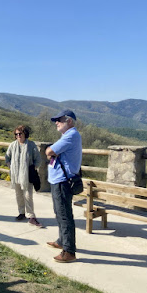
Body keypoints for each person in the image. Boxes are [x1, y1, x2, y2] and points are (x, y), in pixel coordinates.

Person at [45, 109, 82, 263]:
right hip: (58, 181)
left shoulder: (71, 135)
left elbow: (49, 150)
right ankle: (62, 241)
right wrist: (52, 152)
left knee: (65, 215)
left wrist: (51, 151)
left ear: (70, 121)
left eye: (59, 120)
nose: (56, 123)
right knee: (59, 213)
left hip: (62, 181)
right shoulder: (67, 136)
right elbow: (51, 152)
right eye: (56, 120)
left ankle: (69, 251)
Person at [5, 125, 42, 227]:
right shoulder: (12, 145)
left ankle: (31, 216)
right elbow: (7, 157)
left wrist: (32, 168)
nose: (18, 136)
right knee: (18, 195)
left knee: (28, 196)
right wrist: (10, 166)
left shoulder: (31, 145)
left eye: (20, 134)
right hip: (15, 175)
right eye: (16, 134)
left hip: (27, 176)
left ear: (25, 134)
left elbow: (38, 159)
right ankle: (21, 213)